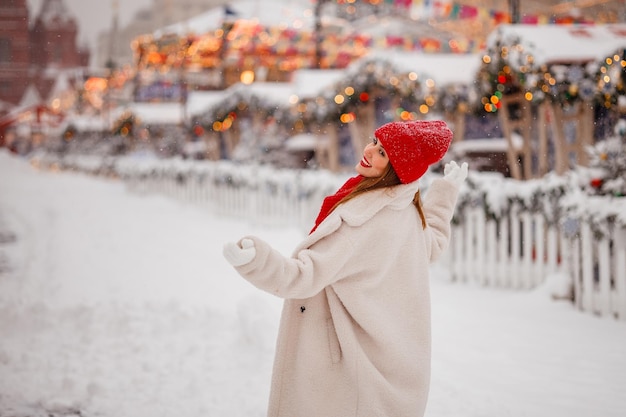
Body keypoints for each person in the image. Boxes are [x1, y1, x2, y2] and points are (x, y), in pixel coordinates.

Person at [223, 120, 468, 417]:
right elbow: (435, 241)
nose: (369, 151)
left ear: (396, 170)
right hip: (388, 365)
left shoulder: (362, 223)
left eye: (382, 153)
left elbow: (302, 277)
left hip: (348, 373)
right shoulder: (406, 211)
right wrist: (446, 191)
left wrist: (255, 261)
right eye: (374, 143)